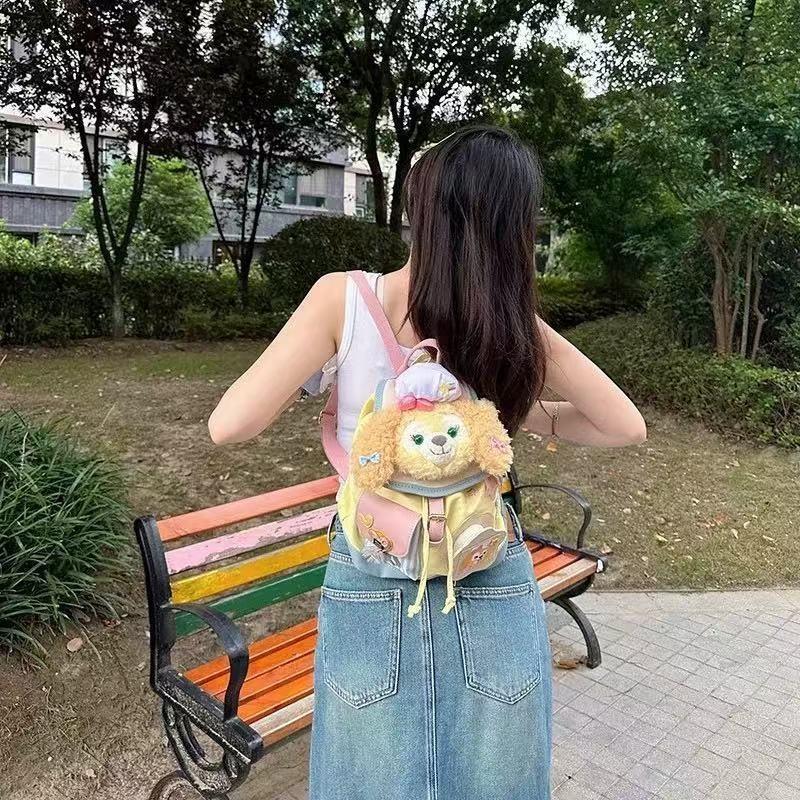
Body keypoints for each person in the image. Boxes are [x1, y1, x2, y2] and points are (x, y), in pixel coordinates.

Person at [208, 125, 646, 800]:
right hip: (487, 566)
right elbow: (624, 426)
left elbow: (229, 424)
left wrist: (318, 375)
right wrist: (514, 412)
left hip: (374, 571)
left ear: (422, 208)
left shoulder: (343, 300)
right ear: (512, 229)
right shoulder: (509, 325)